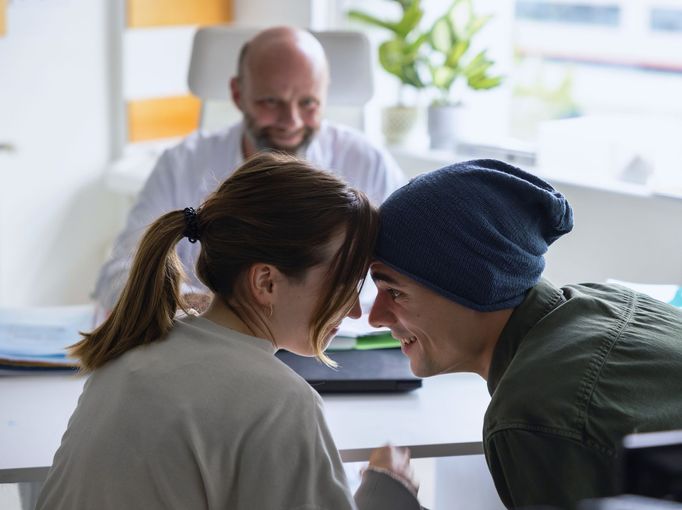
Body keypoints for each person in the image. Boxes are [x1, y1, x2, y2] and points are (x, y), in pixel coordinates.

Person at [36, 153, 420, 510]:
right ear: (266, 282)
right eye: (342, 286)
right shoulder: (281, 404)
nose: (355, 311)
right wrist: (386, 490)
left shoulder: (130, 354)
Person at [366, 158, 682, 510]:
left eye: (394, 292)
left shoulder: (534, 417)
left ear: (473, 284)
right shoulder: (605, 299)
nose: (375, 318)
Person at [94, 25, 405, 311]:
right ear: (237, 94)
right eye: (271, 102)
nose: (291, 121)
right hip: (207, 344)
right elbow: (120, 274)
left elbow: (408, 276)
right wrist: (205, 309)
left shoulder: (369, 164)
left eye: (308, 103)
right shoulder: (182, 164)